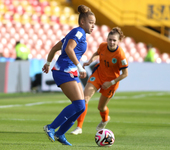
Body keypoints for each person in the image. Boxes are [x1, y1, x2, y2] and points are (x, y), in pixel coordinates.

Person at [42, 5, 96, 146]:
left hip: (68, 71)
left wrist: (48, 63)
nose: (93, 26)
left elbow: (55, 48)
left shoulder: (75, 33)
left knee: (81, 106)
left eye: (94, 24)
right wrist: (79, 67)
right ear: (82, 22)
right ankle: (51, 127)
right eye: (91, 23)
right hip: (63, 71)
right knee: (78, 104)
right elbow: (68, 49)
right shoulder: (78, 32)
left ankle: (60, 134)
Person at [71, 27, 128, 135]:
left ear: (118, 41)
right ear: (107, 39)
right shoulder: (102, 46)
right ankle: (79, 127)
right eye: (110, 39)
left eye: (114, 40)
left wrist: (110, 83)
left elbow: (125, 74)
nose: (111, 42)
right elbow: (97, 54)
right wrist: (90, 61)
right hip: (98, 75)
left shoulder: (120, 55)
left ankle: (105, 119)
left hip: (111, 82)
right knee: (84, 98)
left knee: (101, 107)